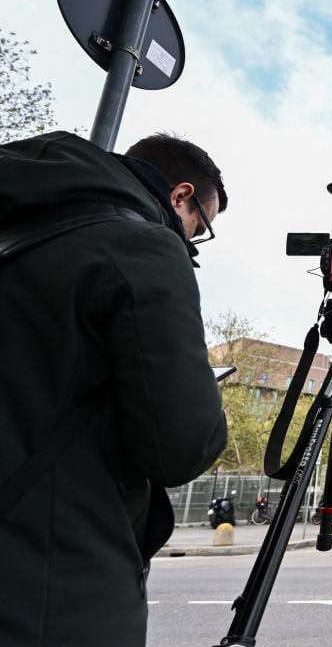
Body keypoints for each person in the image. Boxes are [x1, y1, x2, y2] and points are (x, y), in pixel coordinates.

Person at [0, 130, 229, 646]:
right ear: (181, 196)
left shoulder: (21, 216)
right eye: (202, 226)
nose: (193, 239)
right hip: (52, 581)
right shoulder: (144, 247)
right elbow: (183, 445)